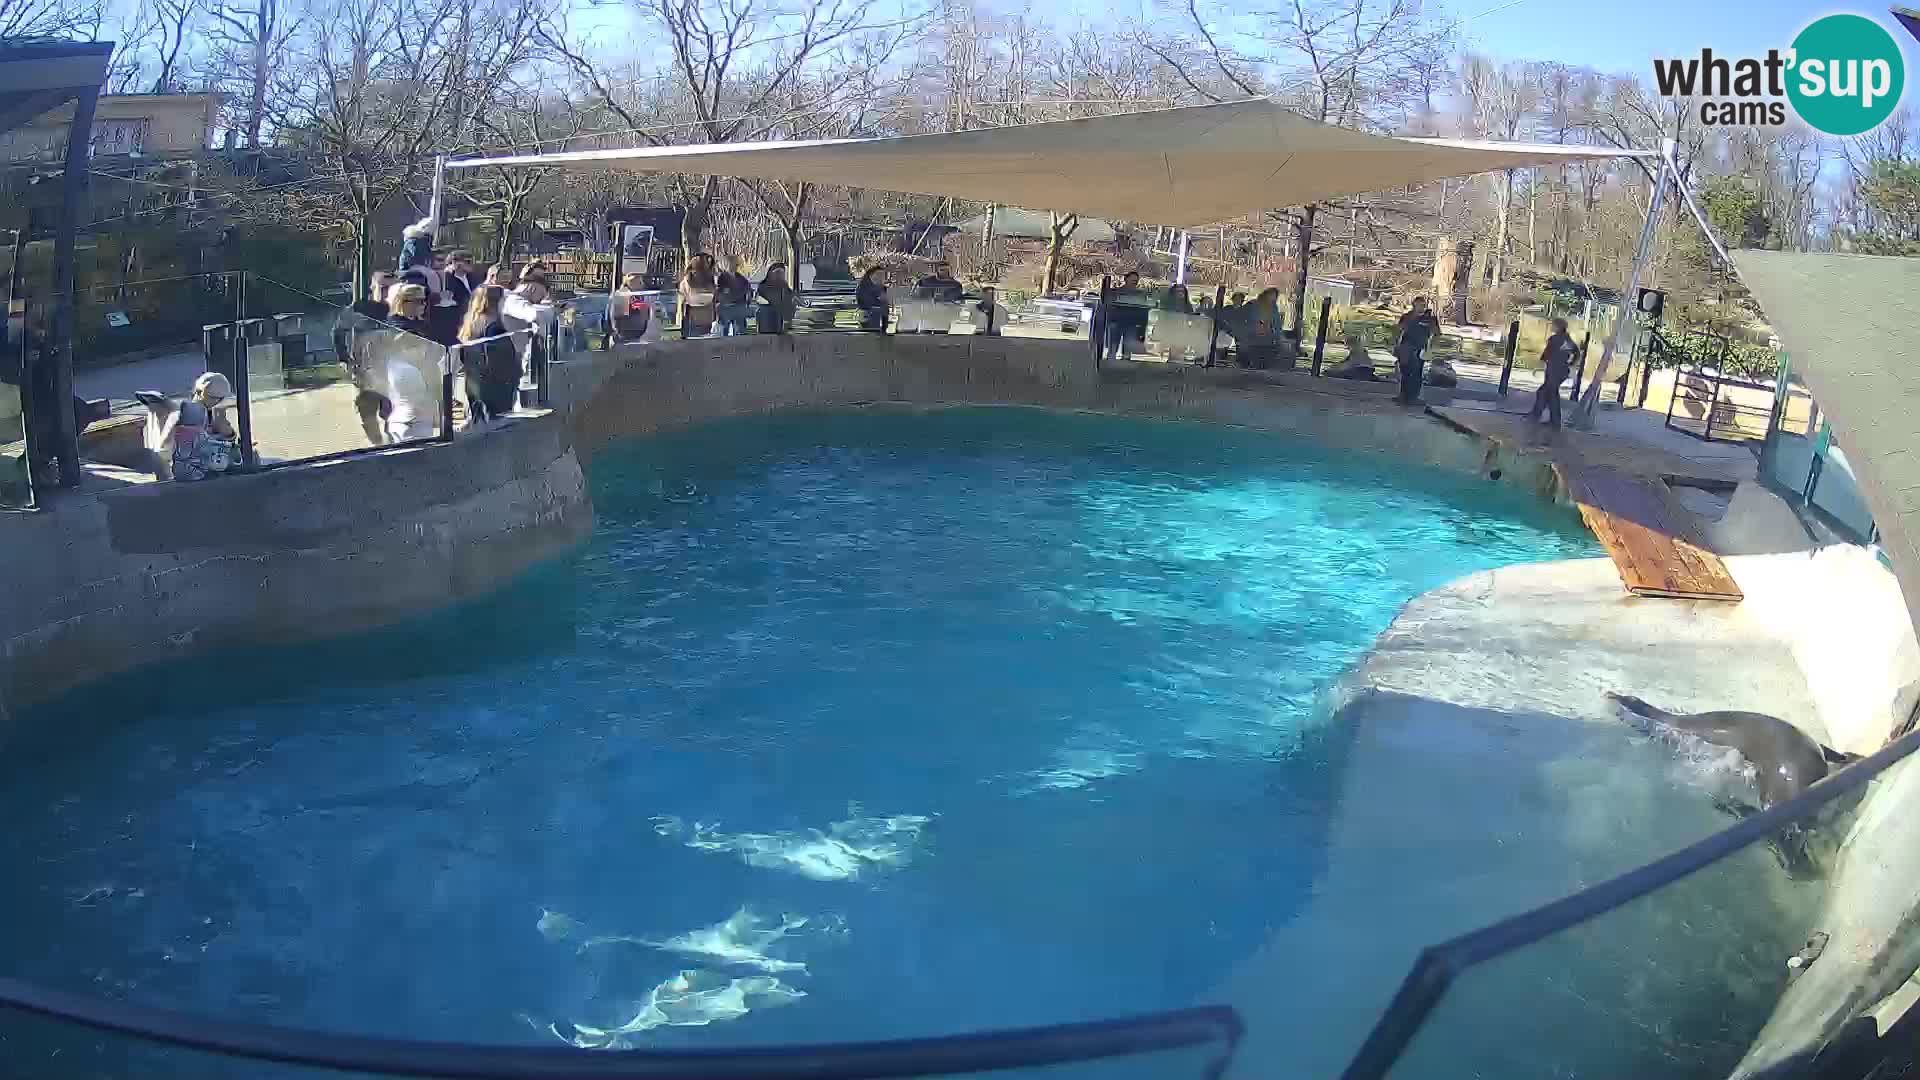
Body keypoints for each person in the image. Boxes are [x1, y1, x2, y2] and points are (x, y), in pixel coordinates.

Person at [335, 271, 395, 446]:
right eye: (382, 288)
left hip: (392, 368)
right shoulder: (358, 308)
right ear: (372, 288)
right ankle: (376, 444)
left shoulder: (399, 306)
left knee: (392, 410)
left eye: (390, 289)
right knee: (366, 410)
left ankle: (394, 442)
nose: (386, 293)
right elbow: (338, 331)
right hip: (365, 369)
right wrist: (344, 358)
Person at [381, 283, 442, 442]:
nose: (423, 305)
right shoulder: (393, 324)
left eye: (424, 301)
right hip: (403, 382)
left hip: (425, 381)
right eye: (418, 301)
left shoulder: (423, 323)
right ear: (404, 302)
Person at [457, 284, 521, 429]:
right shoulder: (495, 327)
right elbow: (502, 359)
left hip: (474, 382)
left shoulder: (471, 322)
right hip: (496, 387)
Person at [1529, 317, 1579, 429]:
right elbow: (1577, 353)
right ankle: (1553, 421)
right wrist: (1570, 363)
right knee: (1552, 394)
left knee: (1543, 392)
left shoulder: (1554, 339)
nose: (1551, 327)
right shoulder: (1568, 340)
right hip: (1562, 371)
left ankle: (1537, 416)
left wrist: (1539, 365)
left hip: (1554, 370)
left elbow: (1546, 353)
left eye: (1553, 325)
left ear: (1558, 327)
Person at [1393, 296, 1442, 404]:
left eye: (1423, 305)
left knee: (1416, 373)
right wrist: (1396, 346)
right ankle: (1403, 395)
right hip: (1406, 347)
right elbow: (1399, 331)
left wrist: (1431, 347)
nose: (1421, 307)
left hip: (1420, 349)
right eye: (1419, 305)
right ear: (1414, 305)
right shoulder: (1407, 317)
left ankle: (1414, 396)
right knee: (1405, 372)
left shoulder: (1430, 319)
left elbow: (1437, 334)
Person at [1104, 271, 1150, 361]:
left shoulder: (1140, 294)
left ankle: (1125, 362)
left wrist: (1141, 326)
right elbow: (1109, 306)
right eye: (1132, 280)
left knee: (1128, 347)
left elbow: (1143, 309)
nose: (1134, 282)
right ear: (1126, 279)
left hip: (1131, 323)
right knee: (1113, 345)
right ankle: (1110, 361)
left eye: (1136, 280)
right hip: (1117, 321)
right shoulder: (1116, 292)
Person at [1236, 288, 1285, 369]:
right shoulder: (1252, 305)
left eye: (1274, 297)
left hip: (1267, 340)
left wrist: (1279, 337)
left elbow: (1277, 324)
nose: (1272, 299)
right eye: (1270, 296)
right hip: (1252, 339)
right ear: (1264, 295)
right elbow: (1239, 319)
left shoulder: (1273, 308)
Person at [679, 253, 718, 337]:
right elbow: (714, 296)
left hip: (692, 314)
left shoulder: (687, 279)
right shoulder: (710, 279)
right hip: (707, 314)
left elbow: (683, 295)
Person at [755, 262, 798, 335]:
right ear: (770, 274)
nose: (780, 275)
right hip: (766, 317)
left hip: (780, 319)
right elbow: (763, 300)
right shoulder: (763, 286)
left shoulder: (784, 286)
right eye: (777, 273)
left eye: (782, 273)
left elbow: (790, 298)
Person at [715, 256, 754, 336]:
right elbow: (720, 292)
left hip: (738, 307)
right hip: (726, 307)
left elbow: (748, 289)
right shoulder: (721, 278)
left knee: (740, 331)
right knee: (723, 331)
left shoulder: (741, 278)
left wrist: (748, 297)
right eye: (734, 264)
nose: (736, 266)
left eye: (736, 264)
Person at [856, 266, 891, 331]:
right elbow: (864, 302)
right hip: (868, 314)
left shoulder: (880, 286)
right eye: (879, 275)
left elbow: (884, 300)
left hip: (879, 315)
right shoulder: (863, 286)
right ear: (872, 275)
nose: (881, 277)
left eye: (882, 275)